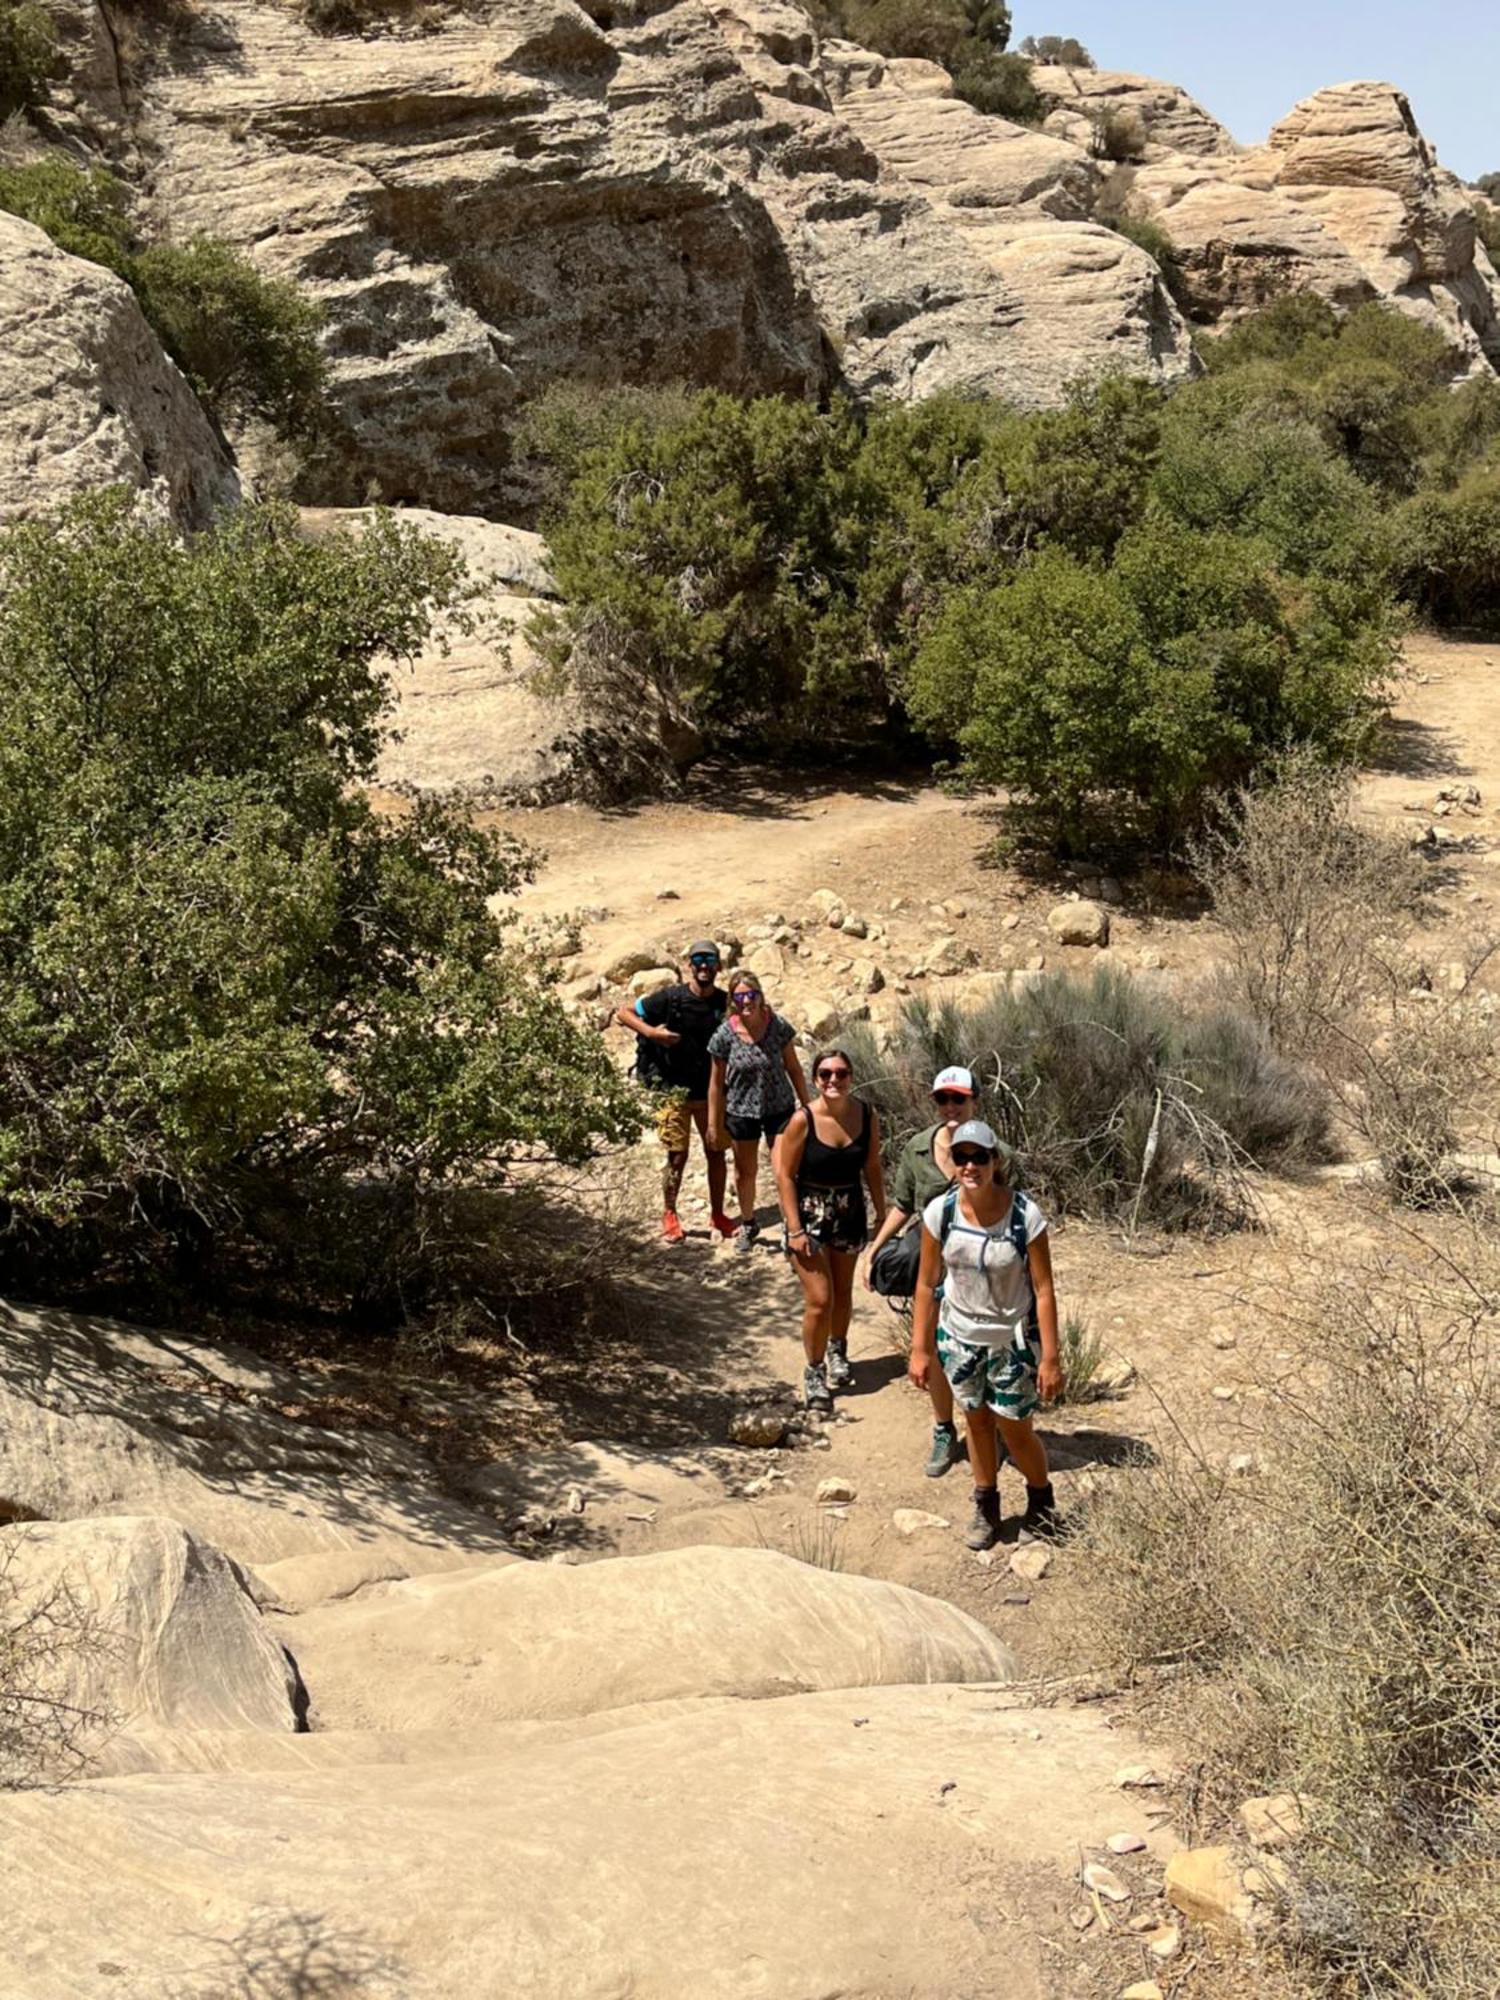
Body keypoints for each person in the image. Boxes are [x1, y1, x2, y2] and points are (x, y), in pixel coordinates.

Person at [909, 1119, 1064, 1552]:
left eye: (980, 1157)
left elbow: (1043, 1288)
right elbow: (926, 1283)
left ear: (996, 1161)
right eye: (962, 1157)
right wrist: (920, 1347)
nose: (971, 1166)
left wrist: (1050, 1357)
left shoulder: (1024, 1216)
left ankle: (1040, 1500)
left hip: (1010, 1343)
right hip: (959, 1338)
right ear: (952, 1162)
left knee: (1015, 1429)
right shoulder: (940, 1213)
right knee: (976, 1424)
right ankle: (986, 1504)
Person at [864, 1064, 1007, 1481]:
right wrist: (876, 1248)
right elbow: (904, 1204)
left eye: (958, 1099)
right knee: (939, 1356)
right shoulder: (918, 1149)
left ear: (974, 1102)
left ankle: (988, 1431)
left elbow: (1011, 1207)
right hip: (935, 1274)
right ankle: (944, 1429)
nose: (950, 1107)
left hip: (982, 1275)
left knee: (988, 1355)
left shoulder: (997, 1152)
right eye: (942, 1099)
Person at [775, 1048, 886, 1413]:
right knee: (820, 1298)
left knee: (841, 1291)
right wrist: (793, 1228)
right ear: (815, 1079)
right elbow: (785, 1175)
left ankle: (838, 1348)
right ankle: (814, 1369)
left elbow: (871, 1165)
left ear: (852, 1076)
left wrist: (881, 1214)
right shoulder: (802, 1120)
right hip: (808, 1213)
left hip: (849, 1209)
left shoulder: (867, 1115)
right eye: (825, 1074)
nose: (833, 1080)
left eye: (841, 1073)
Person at [616, 941, 732, 1245]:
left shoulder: (725, 1001)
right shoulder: (671, 998)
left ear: (719, 966)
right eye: (698, 960)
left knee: (716, 1153)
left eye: (710, 960)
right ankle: (670, 1213)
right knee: (677, 1155)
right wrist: (653, 1033)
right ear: (689, 965)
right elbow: (624, 1013)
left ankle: (718, 1215)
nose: (704, 966)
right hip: (673, 1091)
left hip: (711, 1093)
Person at [707, 971, 808, 1254]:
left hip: (779, 1107)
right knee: (745, 1172)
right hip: (741, 1111)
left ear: (760, 995)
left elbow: (794, 1068)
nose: (746, 1001)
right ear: (732, 1001)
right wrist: (714, 1124)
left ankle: (791, 1227)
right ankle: (749, 1223)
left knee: (782, 1170)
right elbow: (715, 1083)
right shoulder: (725, 1035)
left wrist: (808, 1107)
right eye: (739, 996)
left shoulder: (776, 1026)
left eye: (751, 995)